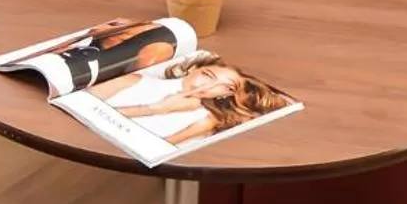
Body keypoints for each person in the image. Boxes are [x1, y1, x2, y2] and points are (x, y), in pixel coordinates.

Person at [93, 53, 293, 147]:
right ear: (192, 69)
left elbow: (160, 150)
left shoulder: (207, 118)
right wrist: (155, 108)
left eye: (227, 87)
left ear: (226, 95)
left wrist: (160, 110)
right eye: (207, 75)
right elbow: (85, 109)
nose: (210, 87)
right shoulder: (135, 80)